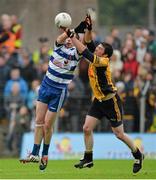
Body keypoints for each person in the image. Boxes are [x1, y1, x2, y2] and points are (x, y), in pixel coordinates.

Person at [64, 15, 144, 173]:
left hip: (110, 101)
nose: (97, 48)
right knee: (87, 128)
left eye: (100, 48)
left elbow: (85, 52)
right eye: (98, 47)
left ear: (105, 54)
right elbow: (87, 42)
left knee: (119, 134)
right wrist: (88, 28)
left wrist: (72, 36)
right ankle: (88, 158)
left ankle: (138, 154)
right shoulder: (98, 54)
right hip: (98, 101)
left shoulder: (103, 61)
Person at [20, 28, 82, 170]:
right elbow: (59, 39)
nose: (68, 39)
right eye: (67, 37)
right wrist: (68, 31)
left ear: (75, 41)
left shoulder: (76, 54)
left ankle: (45, 154)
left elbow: (81, 45)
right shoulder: (58, 47)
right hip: (45, 86)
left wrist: (76, 35)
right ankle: (35, 153)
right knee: (38, 121)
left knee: (48, 125)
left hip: (59, 92)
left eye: (72, 38)